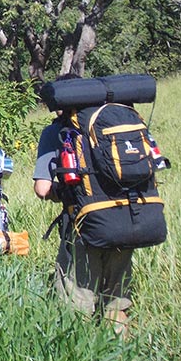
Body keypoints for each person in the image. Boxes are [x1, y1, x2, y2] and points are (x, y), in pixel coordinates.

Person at [32, 74, 132, 338]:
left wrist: (63, 192)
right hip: (127, 220)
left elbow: (42, 189)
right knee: (115, 305)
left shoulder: (56, 131)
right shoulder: (116, 121)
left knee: (76, 308)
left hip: (85, 224)